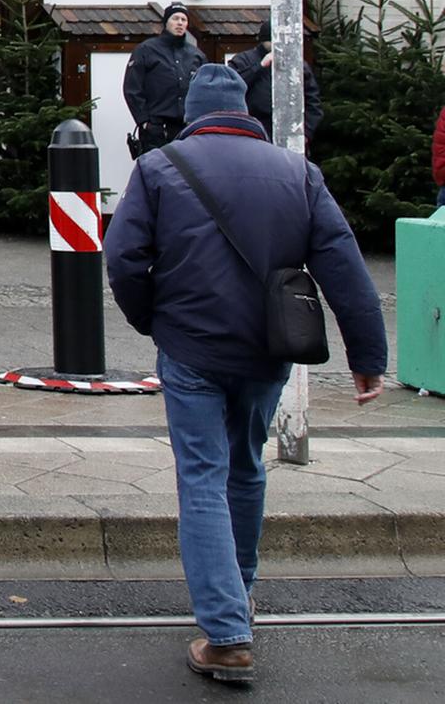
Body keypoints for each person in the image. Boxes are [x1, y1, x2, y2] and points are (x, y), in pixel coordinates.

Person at [106, 64, 387, 685]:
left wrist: (151, 320)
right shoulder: (299, 173)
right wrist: (367, 358)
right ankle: (242, 590)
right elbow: (344, 268)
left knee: (202, 477)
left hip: (191, 350)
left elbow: (123, 259)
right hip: (268, 350)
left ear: (192, 114)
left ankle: (227, 632)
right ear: (245, 112)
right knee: (246, 466)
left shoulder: (159, 168)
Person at [123, 3, 205, 155]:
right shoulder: (146, 50)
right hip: (156, 128)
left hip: (186, 128)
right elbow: (132, 88)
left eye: (184, 20)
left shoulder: (196, 55)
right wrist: (144, 121)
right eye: (175, 18)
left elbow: (204, 90)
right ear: (166, 22)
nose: (180, 23)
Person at [226, 18, 324, 140]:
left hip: (289, 132)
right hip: (252, 131)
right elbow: (230, 89)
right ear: (263, 40)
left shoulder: (297, 64)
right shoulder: (243, 60)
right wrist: (260, 66)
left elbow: (312, 102)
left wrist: (305, 134)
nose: (277, 44)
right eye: (273, 40)